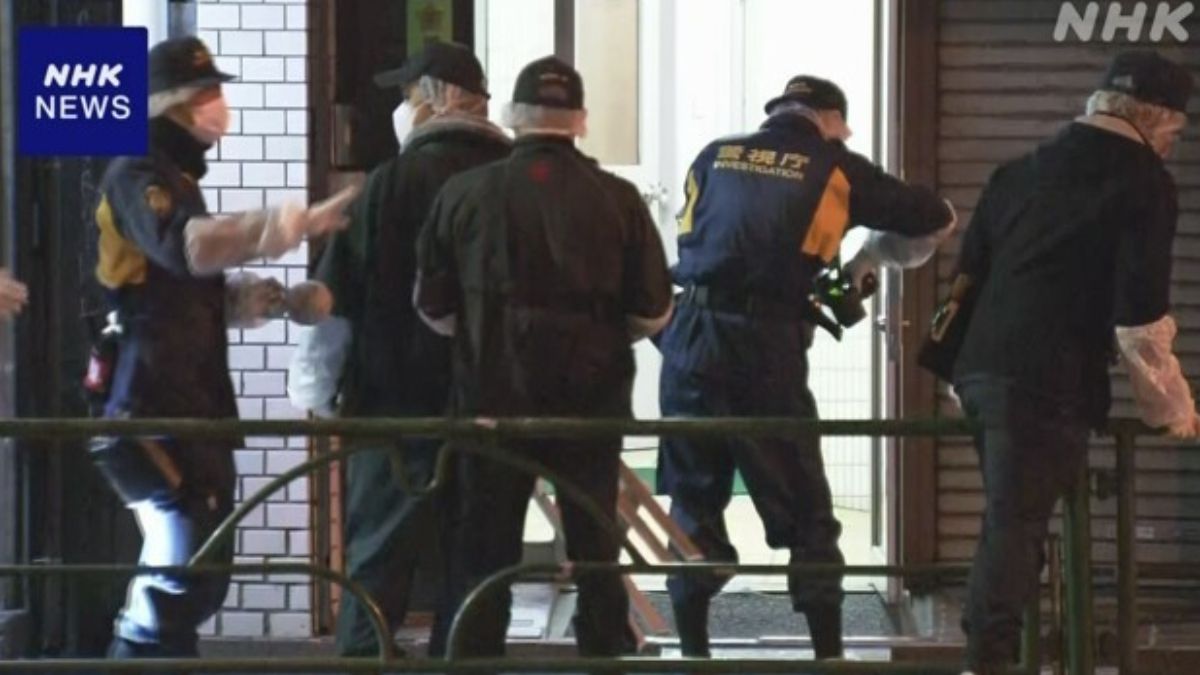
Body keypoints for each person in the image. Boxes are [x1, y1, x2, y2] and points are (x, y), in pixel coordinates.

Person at [657, 74, 956, 660]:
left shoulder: (716, 154)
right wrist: (869, 257)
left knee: (692, 503)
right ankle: (828, 656)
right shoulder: (834, 165)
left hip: (689, 338)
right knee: (807, 513)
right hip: (765, 350)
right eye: (843, 126)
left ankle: (692, 653)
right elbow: (935, 216)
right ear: (829, 120)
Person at [90, 36, 356, 664]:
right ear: (172, 103)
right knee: (179, 562)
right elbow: (187, 249)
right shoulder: (137, 172)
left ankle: (161, 654)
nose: (218, 105)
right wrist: (282, 225)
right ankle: (137, 655)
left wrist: (261, 301)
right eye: (206, 92)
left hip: (186, 395)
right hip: (148, 401)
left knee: (201, 566)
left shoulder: (175, 178)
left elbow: (178, 288)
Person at [414, 56, 673, 660]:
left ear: (512, 116)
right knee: (594, 541)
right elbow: (654, 309)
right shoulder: (619, 199)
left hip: (490, 400)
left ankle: (472, 655)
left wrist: (485, 329)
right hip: (590, 401)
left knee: (483, 548)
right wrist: (600, 336)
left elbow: (431, 306)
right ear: (580, 120)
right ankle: (604, 652)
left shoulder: (465, 193)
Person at [950, 50, 1194, 675]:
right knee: (1015, 524)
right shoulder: (1144, 181)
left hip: (978, 370)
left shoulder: (1020, 170)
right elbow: (1140, 319)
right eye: (1175, 129)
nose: (1173, 144)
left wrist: (958, 371)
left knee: (1013, 519)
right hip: (1046, 379)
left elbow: (968, 275)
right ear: (1154, 117)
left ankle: (1004, 652)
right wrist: (1172, 408)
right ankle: (987, 660)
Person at [287, 40, 511, 658]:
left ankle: (367, 661)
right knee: (481, 566)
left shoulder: (390, 184)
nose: (402, 108)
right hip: (496, 408)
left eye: (408, 94)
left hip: (394, 404)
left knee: (378, 559)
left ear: (437, 99)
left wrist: (316, 389)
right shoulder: (516, 181)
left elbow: (337, 297)